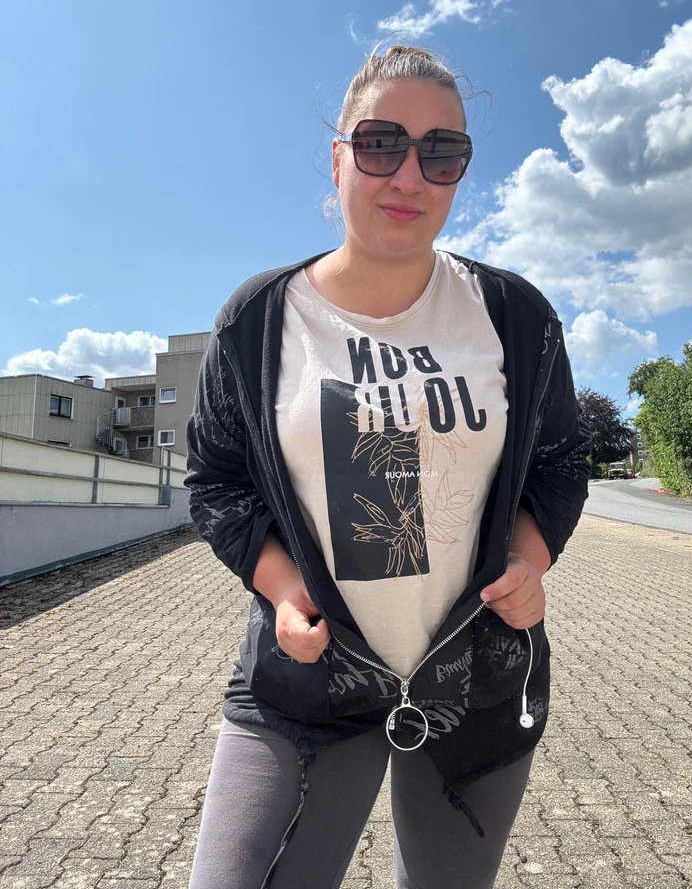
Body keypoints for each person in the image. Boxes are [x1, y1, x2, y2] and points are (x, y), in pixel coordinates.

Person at [185, 44, 591, 889]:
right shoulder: (259, 322)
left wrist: (529, 559)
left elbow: (559, 462)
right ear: (338, 158)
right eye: (380, 144)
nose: (409, 175)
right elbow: (217, 480)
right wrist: (282, 588)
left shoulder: (515, 316)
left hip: (475, 681)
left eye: (442, 152)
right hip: (310, 681)